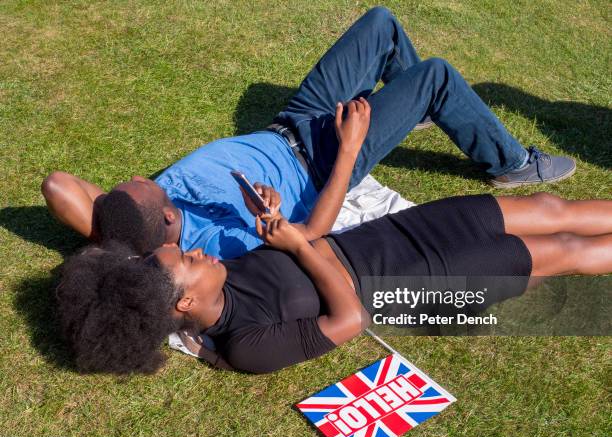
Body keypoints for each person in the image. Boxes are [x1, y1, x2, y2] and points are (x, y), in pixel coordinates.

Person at [55, 97, 611, 375]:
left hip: (394, 234)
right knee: (562, 252)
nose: (198, 250)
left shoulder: (223, 272)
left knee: (544, 204)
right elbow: (349, 321)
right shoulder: (245, 345)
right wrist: (300, 247)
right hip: (415, 288)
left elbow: (62, 187)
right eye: (189, 260)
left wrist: (280, 228)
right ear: (186, 300)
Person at [42, 7, 575, 258]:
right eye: (143, 184)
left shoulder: (137, 218)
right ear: (163, 216)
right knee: (435, 73)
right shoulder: (217, 243)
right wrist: (347, 151)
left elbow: (58, 185)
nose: (141, 174)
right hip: (323, 157)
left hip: (292, 121)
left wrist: (110, 239)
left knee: (381, 25)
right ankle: (508, 163)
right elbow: (311, 234)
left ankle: (421, 106)